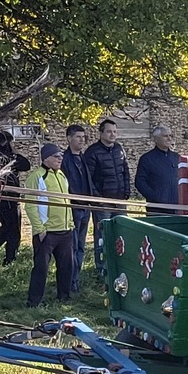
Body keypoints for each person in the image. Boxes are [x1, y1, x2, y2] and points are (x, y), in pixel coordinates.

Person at [26, 143, 77, 306]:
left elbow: (66, 200)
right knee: (41, 269)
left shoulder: (62, 175)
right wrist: (39, 228)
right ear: (46, 158)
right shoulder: (36, 177)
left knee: (67, 267)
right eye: (56, 156)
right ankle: (34, 301)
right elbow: (30, 204)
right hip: (47, 232)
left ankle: (64, 297)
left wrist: (70, 223)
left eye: (61, 156)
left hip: (65, 230)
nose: (60, 159)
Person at [81, 117, 131, 275]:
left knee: (122, 233)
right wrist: (97, 198)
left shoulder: (119, 149)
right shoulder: (93, 152)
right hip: (103, 202)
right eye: (109, 131)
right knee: (102, 235)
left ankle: (121, 267)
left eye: (115, 131)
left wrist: (126, 192)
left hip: (119, 200)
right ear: (101, 133)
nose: (113, 134)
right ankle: (102, 269)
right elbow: (88, 177)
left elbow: (125, 171)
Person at [0, 136, 27, 265]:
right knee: (12, 227)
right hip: (8, 198)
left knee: (10, 227)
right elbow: (26, 165)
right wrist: (15, 152)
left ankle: (8, 257)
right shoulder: (11, 158)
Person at [60, 123, 92, 291]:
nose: (82, 140)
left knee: (80, 246)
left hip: (85, 207)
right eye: (78, 137)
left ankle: (76, 280)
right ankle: (69, 282)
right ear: (69, 138)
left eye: (83, 137)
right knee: (71, 247)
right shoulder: (63, 160)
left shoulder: (84, 158)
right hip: (72, 208)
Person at [134, 124, 186, 213]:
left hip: (177, 207)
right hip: (157, 208)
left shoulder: (177, 158)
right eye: (165, 136)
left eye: (171, 135)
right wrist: (155, 197)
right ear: (156, 139)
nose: (169, 138)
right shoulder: (147, 159)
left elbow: (184, 179)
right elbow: (140, 182)